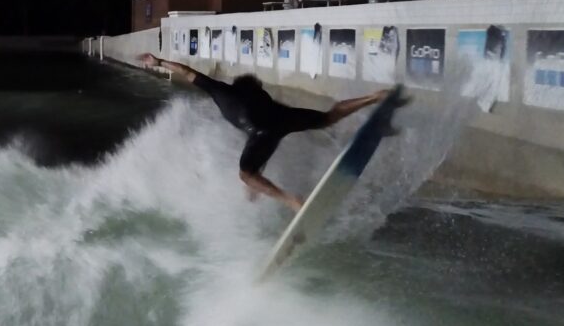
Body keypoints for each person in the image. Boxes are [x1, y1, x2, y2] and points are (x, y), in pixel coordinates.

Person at [138, 53, 391, 212]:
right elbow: (268, 137)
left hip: (263, 132)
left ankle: (291, 200)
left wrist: (159, 62)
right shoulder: (263, 98)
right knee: (328, 117)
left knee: (245, 173)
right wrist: (256, 177)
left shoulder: (222, 90)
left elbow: (187, 72)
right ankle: (373, 97)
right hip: (280, 122)